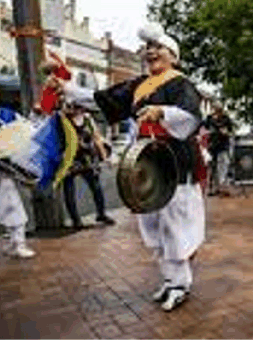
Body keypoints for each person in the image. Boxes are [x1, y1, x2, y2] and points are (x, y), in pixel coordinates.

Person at [53, 22, 205, 310]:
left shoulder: (181, 83)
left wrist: (162, 112)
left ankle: (180, 283)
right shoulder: (139, 85)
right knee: (153, 224)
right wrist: (67, 90)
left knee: (174, 224)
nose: (151, 52)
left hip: (174, 164)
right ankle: (169, 278)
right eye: (148, 49)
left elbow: (190, 117)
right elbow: (102, 99)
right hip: (147, 164)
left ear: (173, 55)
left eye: (158, 48)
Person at [0, 70, 36, 259]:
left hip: (5, 170)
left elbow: (27, 130)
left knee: (12, 205)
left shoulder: (7, 114)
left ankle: (17, 244)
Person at [61, 103, 115, 229]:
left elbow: (97, 138)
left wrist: (105, 157)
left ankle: (101, 214)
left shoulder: (87, 119)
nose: (74, 109)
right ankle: (76, 220)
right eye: (71, 107)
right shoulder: (62, 119)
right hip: (69, 158)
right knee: (69, 190)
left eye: (76, 107)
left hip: (87, 157)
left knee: (96, 186)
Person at [203, 102, 234, 196]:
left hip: (223, 145)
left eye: (219, 110)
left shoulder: (226, 119)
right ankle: (212, 188)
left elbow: (231, 131)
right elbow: (204, 128)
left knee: (223, 165)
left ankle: (223, 187)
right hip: (212, 145)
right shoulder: (209, 118)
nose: (217, 112)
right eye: (215, 109)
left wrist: (226, 132)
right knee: (212, 167)